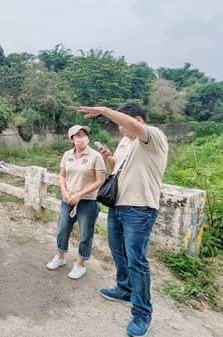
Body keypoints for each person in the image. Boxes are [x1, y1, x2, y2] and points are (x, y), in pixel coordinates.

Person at [79, 103, 168, 337]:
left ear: (137, 120)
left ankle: (142, 313)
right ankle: (124, 288)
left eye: (122, 124)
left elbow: (133, 127)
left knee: (136, 260)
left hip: (140, 209)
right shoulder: (126, 141)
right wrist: (109, 158)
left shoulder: (154, 136)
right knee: (118, 252)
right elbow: (118, 167)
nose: (120, 129)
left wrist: (105, 110)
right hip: (118, 205)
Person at [46, 125, 106, 279]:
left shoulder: (95, 156)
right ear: (71, 139)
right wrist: (65, 192)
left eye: (84, 134)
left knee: (85, 233)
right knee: (62, 228)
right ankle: (60, 257)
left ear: (88, 138)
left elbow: (100, 180)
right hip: (68, 200)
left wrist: (80, 194)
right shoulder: (67, 155)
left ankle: (80, 264)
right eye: (77, 135)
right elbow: (62, 175)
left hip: (88, 202)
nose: (81, 138)